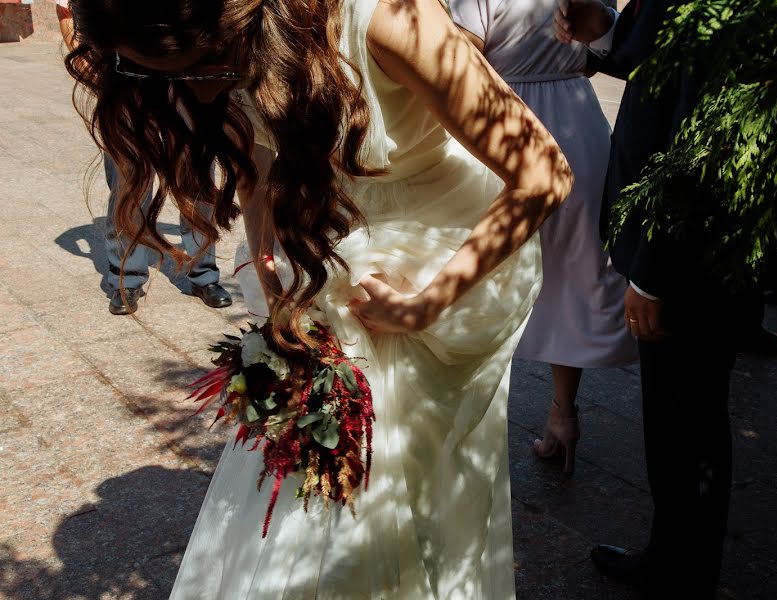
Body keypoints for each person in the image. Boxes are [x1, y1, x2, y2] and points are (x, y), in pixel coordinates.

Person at [65, 0, 573, 598]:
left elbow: (544, 173)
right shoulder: (241, 40)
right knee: (312, 471)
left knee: (399, 477)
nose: (189, 96)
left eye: (195, 71)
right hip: (335, 235)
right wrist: (265, 260)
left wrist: (426, 303)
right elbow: (258, 153)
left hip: (438, 260)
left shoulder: (391, 21)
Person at [557, 1, 735, 598]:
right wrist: (604, 30)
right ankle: (673, 556)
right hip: (674, 254)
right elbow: (657, 51)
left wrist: (652, 275)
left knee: (686, 423)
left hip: (683, 264)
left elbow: (698, 150)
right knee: (675, 422)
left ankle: (681, 574)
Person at [449, 0, 636, 476]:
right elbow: (600, 49)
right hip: (578, 127)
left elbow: (462, 59)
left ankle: (462, 426)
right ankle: (562, 416)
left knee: (478, 277)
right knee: (570, 282)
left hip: (501, 129)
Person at [56, 0, 232, 315]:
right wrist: (89, 65)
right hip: (125, 76)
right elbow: (67, 10)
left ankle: (203, 272)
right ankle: (126, 279)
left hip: (187, 74)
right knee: (129, 181)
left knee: (196, 176)